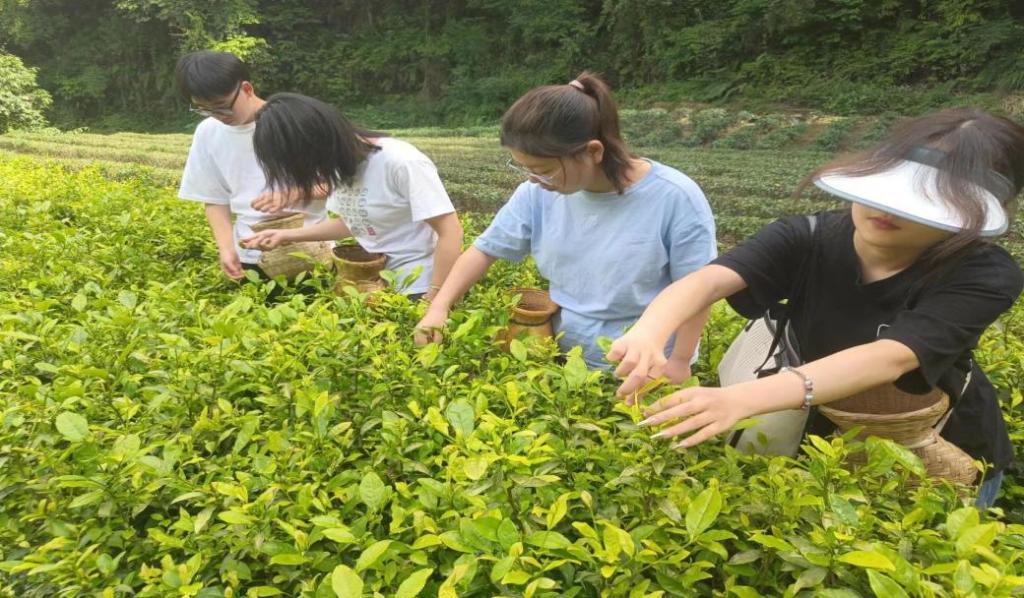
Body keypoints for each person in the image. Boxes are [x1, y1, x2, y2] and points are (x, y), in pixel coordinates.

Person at [609, 108, 1024, 508]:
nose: (885, 210)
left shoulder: (983, 273)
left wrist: (740, 399)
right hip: (826, 436)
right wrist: (649, 332)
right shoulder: (808, 235)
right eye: (891, 189)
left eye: (924, 201)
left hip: (941, 450)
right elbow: (709, 280)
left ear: (972, 214)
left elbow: (892, 356)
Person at [414, 72, 717, 371]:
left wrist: (679, 361)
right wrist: (439, 306)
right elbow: (484, 250)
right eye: (525, 169)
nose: (534, 180)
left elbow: (698, 289)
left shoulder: (674, 197)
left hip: (644, 363)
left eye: (544, 170)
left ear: (593, 151)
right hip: (560, 352)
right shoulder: (536, 193)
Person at [240, 93, 463, 300]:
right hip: (372, 281)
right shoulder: (338, 166)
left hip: (417, 284)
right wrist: (285, 235)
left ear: (315, 143)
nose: (312, 173)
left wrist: (435, 298)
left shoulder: (401, 162)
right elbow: (353, 223)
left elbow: (450, 231)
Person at [175, 51, 327, 280]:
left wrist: (294, 193)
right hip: (252, 256)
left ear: (246, 89)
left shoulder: (297, 122)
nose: (217, 116)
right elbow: (215, 198)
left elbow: (338, 184)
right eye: (204, 109)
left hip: (313, 249)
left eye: (222, 106)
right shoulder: (208, 132)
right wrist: (226, 248)